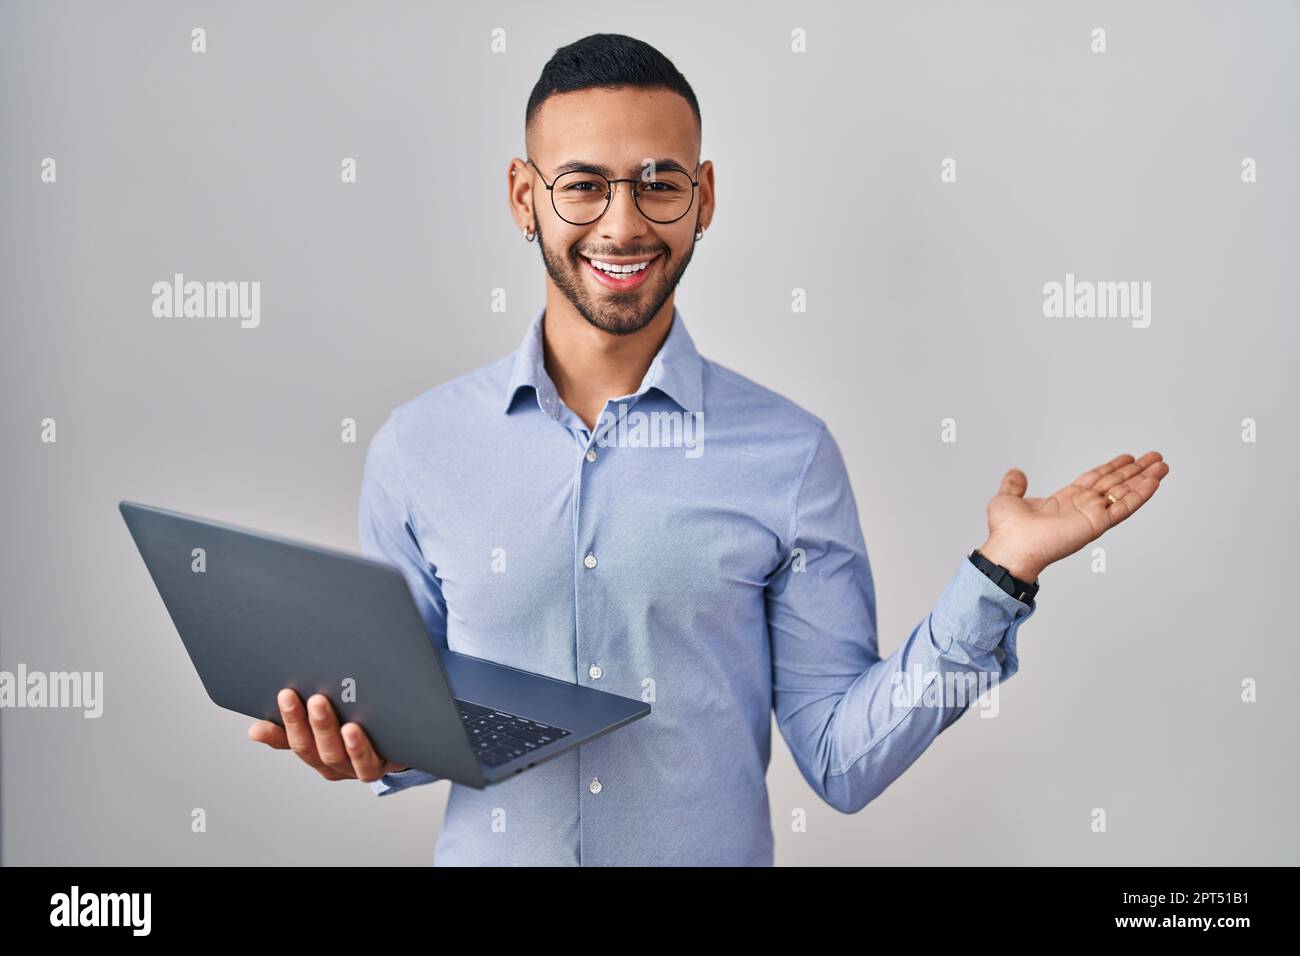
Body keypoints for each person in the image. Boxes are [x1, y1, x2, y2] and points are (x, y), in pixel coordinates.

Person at [248, 33, 1169, 865]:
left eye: (658, 182)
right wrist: (363, 740)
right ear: (524, 197)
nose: (622, 224)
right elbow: (413, 715)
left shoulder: (789, 456)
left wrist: (998, 574)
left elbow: (844, 759)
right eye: (582, 185)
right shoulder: (419, 449)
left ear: (705, 198)